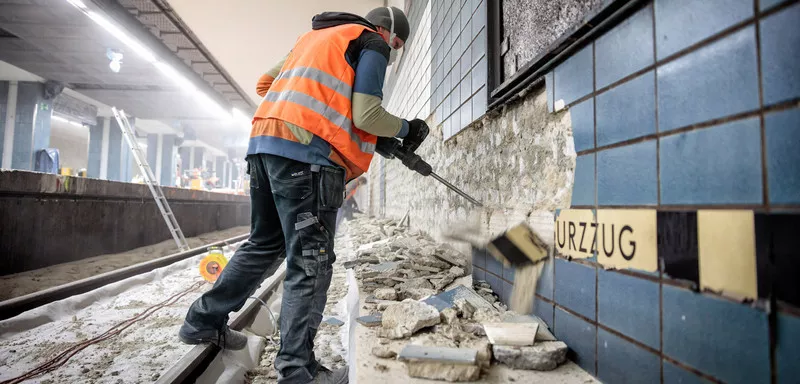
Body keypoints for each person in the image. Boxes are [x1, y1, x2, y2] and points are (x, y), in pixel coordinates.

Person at [177, 6, 428, 384]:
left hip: (264, 146)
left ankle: (202, 320)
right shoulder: (370, 41)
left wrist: (376, 141)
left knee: (264, 243)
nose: (391, 56)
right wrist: (407, 128)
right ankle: (297, 372)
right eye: (396, 46)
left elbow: (267, 86)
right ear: (387, 30)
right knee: (310, 263)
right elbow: (367, 115)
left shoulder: (312, 40)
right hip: (307, 158)